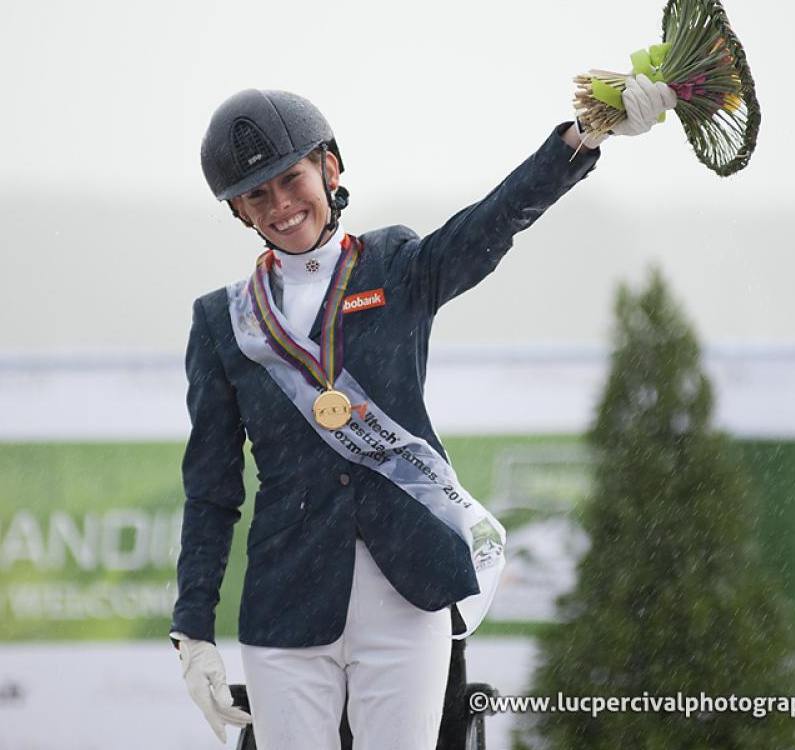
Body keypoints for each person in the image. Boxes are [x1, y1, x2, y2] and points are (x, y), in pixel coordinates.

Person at [170, 78, 676, 749]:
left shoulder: (395, 267)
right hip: (288, 599)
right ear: (239, 211)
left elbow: (493, 221)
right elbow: (211, 491)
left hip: (407, 591)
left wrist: (583, 137)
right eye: (256, 194)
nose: (281, 205)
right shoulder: (221, 322)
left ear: (330, 167)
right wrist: (193, 628)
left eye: (291, 179)